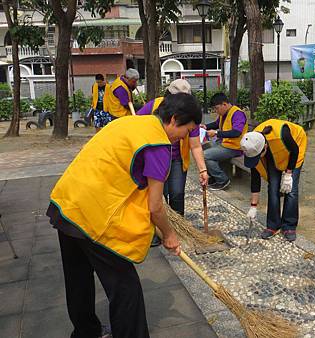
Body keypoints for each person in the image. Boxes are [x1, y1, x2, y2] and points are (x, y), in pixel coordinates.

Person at [46, 93, 202, 338]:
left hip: (66, 204)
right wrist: (170, 235)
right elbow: (155, 206)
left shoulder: (130, 122)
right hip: (92, 215)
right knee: (126, 288)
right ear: (173, 120)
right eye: (187, 131)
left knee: (77, 279)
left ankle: (86, 332)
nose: (184, 138)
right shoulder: (158, 144)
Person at [137, 79, 208, 215]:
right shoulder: (154, 106)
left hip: (177, 159)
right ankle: (161, 226)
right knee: (159, 194)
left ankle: (178, 224)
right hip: (153, 157)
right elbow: (136, 125)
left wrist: (202, 170)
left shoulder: (189, 114)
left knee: (177, 193)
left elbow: (195, 145)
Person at [240, 119, 307, 242]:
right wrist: (253, 206)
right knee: (273, 187)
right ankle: (273, 225)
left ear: (264, 147)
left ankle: (289, 225)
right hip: (273, 154)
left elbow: (295, 151)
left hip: (295, 146)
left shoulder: (282, 134)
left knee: (291, 189)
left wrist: (288, 174)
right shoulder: (250, 145)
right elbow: (255, 178)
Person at [201, 93, 248, 190]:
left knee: (205, 156)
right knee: (203, 148)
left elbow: (236, 132)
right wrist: (206, 126)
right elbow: (217, 123)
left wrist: (217, 133)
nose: (216, 111)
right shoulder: (224, 113)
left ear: (224, 104)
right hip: (225, 144)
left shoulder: (237, 114)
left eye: (217, 108)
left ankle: (222, 180)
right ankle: (213, 177)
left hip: (235, 147)